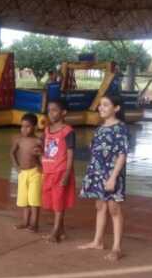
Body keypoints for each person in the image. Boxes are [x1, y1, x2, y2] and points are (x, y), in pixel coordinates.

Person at [78, 95, 129, 261]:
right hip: (97, 172)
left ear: (116, 108)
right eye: (100, 105)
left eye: (106, 105)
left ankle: (117, 247)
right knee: (100, 206)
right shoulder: (100, 129)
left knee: (114, 208)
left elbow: (122, 155)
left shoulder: (121, 128)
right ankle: (97, 241)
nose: (101, 108)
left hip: (112, 174)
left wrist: (113, 177)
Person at [41, 99, 76, 243]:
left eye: (55, 110)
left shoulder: (68, 131)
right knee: (54, 201)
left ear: (63, 113)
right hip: (48, 170)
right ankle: (61, 230)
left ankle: (55, 231)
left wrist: (67, 174)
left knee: (58, 201)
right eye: (49, 110)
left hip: (61, 171)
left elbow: (70, 154)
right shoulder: (47, 130)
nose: (51, 113)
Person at [12, 113, 43, 232]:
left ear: (35, 127)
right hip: (22, 173)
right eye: (22, 126)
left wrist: (41, 163)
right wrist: (16, 167)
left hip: (35, 172)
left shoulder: (38, 141)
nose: (24, 129)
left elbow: (43, 155)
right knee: (24, 200)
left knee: (34, 200)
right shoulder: (18, 140)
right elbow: (12, 153)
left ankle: (34, 224)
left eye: (28, 126)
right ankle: (25, 222)